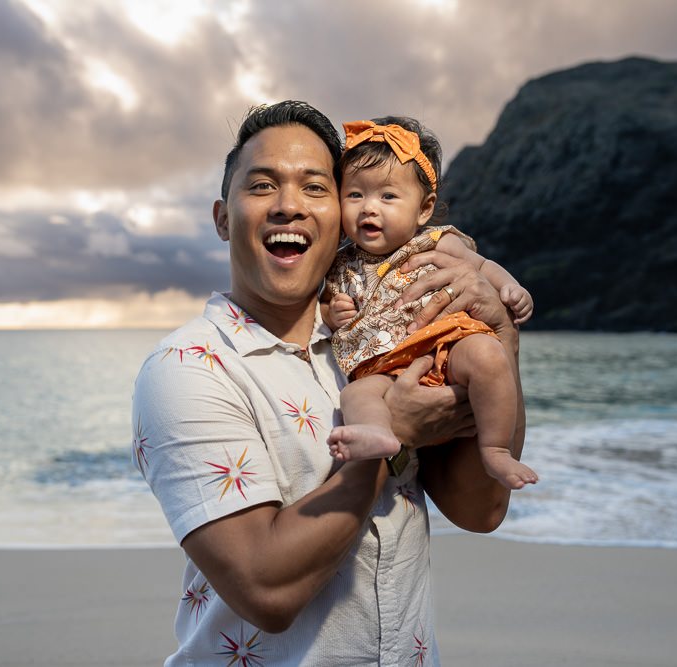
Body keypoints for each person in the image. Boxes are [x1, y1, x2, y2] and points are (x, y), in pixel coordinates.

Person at [132, 101, 526, 665]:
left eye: (315, 188)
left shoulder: (372, 346)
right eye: (263, 185)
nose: (289, 206)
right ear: (222, 217)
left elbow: (481, 511)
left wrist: (501, 334)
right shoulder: (188, 367)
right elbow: (265, 591)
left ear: (339, 218)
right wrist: (393, 436)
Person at [323, 117, 539, 490]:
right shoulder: (340, 261)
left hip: (446, 345)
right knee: (355, 394)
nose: (369, 208)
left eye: (388, 196)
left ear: (424, 209)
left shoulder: (435, 242)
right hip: (382, 368)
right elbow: (324, 306)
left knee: (489, 355)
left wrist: (512, 288)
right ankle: (378, 435)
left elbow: (484, 267)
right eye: (355, 195)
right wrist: (330, 312)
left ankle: (495, 449)